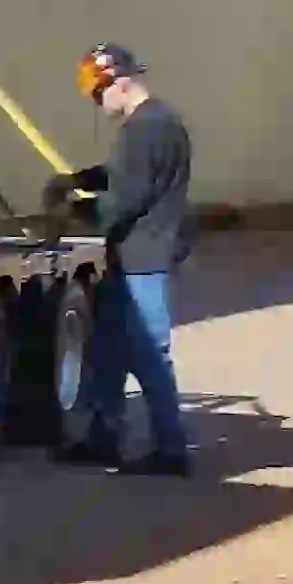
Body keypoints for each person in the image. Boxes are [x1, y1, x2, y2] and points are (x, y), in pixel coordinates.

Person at [64, 43, 197, 476]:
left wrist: (78, 211)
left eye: (98, 92)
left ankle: (171, 449)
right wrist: (85, 178)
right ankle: (103, 436)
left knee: (150, 355)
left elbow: (126, 199)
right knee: (107, 348)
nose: (96, 101)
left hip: (143, 257)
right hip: (132, 256)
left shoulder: (143, 130)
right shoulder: (160, 122)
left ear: (119, 81)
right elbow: (129, 175)